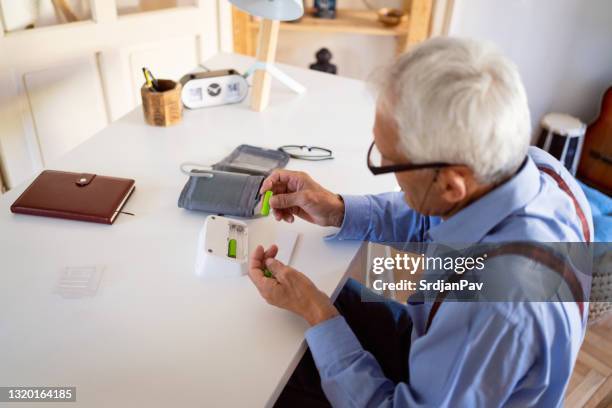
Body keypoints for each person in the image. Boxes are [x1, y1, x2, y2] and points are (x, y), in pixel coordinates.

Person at [247, 37, 593, 407]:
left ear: (451, 182)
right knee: (308, 313)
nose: (387, 172)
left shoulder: (491, 308)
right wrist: (338, 209)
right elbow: (440, 214)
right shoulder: (536, 169)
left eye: (389, 160)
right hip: (441, 349)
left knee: (265, 379)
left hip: (444, 372)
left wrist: (316, 312)